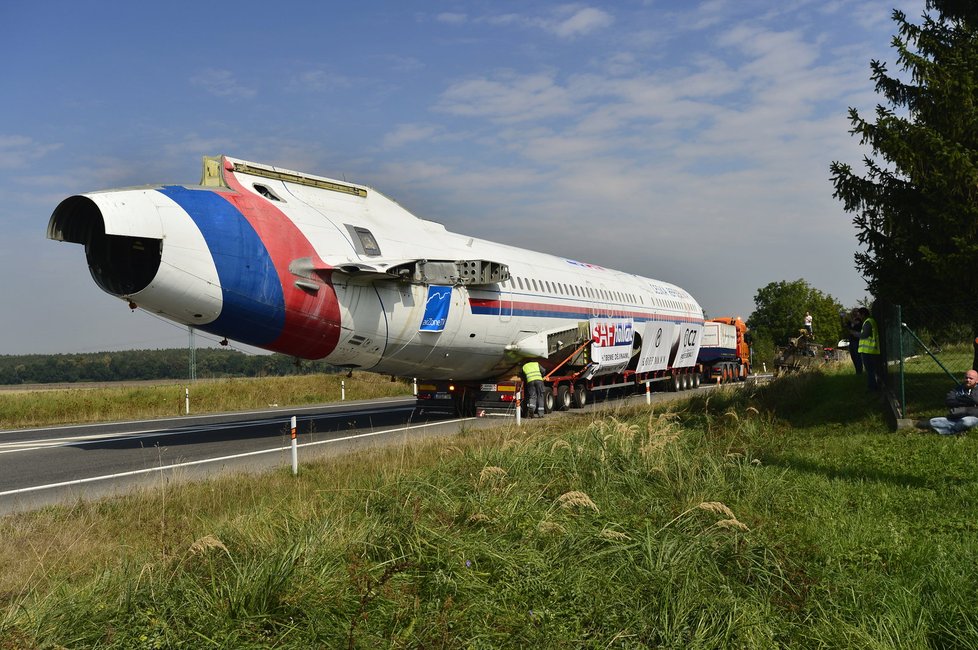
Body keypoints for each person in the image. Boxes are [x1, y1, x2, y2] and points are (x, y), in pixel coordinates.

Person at [928, 370, 978, 435]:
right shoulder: (958, 389)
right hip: (957, 417)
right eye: (966, 378)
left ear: (977, 380)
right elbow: (949, 400)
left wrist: (960, 401)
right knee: (933, 421)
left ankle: (952, 431)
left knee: (966, 422)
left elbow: (975, 400)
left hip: (973, 417)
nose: (968, 380)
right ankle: (958, 430)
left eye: (971, 378)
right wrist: (967, 401)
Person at [857, 306, 881, 391]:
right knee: (872, 370)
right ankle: (873, 385)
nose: (858, 317)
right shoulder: (869, 321)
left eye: (859, 315)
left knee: (870, 370)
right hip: (871, 350)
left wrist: (855, 333)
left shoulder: (868, 322)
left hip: (868, 350)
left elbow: (865, 335)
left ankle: (872, 387)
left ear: (863, 314)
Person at [842, 308, 863, 374]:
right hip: (851, 340)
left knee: (857, 356)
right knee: (853, 356)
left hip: (857, 340)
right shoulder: (851, 321)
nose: (855, 313)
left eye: (856, 311)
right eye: (854, 311)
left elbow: (855, 323)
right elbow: (844, 325)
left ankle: (860, 371)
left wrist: (846, 316)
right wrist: (842, 318)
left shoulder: (859, 320)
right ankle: (857, 371)